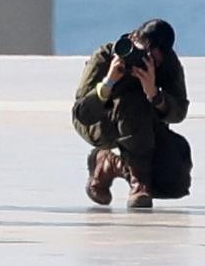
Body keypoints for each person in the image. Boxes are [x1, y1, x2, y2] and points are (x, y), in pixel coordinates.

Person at [74, 19, 191, 209]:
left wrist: (155, 94)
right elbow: (82, 114)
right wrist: (108, 83)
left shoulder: (168, 64)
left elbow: (179, 113)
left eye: (154, 59)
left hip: (146, 131)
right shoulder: (105, 56)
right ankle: (139, 183)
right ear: (132, 39)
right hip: (100, 123)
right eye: (143, 54)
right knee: (133, 104)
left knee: (175, 182)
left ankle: (109, 163)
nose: (145, 62)